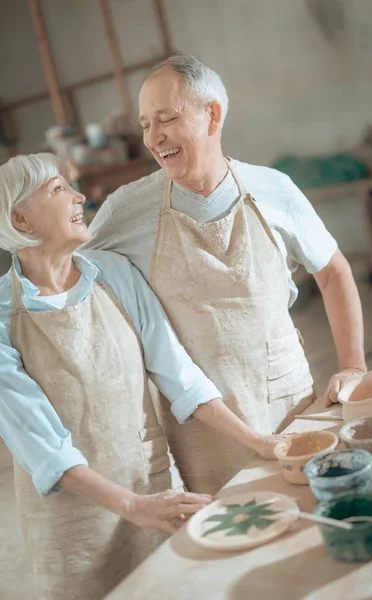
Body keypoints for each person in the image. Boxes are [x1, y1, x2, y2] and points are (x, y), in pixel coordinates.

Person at [0, 153, 285, 600]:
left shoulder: (113, 274)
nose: (79, 197)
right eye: (58, 190)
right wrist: (133, 507)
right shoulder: (2, 315)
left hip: (148, 486)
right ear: (21, 218)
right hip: (73, 519)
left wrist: (258, 442)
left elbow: (180, 377)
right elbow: (43, 448)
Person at [85, 54, 367, 494]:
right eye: (145, 125)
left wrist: (353, 365)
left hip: (289, 400)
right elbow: (74, 285)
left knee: (309, 513)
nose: (154, 138)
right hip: (203, 428)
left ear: (211, 115)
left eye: (167, 118)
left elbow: (333, 271)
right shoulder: (126, 210)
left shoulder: (274, 189)